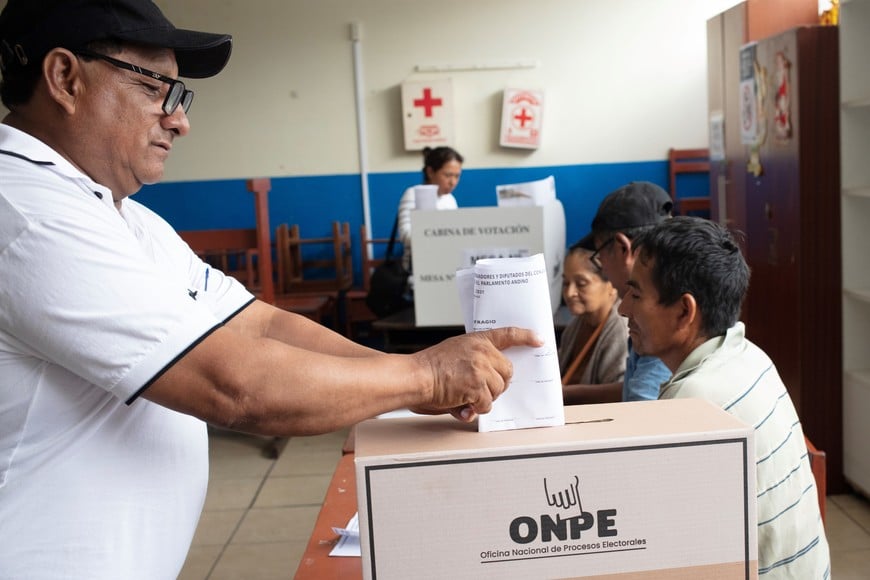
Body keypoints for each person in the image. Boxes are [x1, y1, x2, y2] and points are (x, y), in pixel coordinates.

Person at [0, 1, 540, 578]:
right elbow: (234, 385)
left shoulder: (121, 216)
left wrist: (410, 379)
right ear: (64, 78)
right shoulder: (27, 212)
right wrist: (425, 376)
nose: (180, 120)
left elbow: (255, 324)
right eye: (158, 88)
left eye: (180, 97)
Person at [619, 216, 830, 578]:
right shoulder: (748, 354)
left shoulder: (694, 403)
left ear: (685, 311)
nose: (623, 307)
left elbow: (653, 540)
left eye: (636, 294)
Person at [582, 181, 674, 402]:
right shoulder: (671, 294)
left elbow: (642, 417)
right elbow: (636, 387)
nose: (623, 310)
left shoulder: (654, 322)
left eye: (599, 254)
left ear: (623, 247)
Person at [558, 239, 628, 404]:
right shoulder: (575, 326)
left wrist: (566, 394)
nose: (569, 293)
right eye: (565, 283)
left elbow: (618, 397)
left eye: (581, 284)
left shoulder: (621, 329)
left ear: (611, 284)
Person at [396, 145, 463, 271]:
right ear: (430, 172)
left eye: (457, 176)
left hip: (445, 265)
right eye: (448, 175)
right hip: (418, 270)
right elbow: (405, 236)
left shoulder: (450, 199)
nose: (453, 182)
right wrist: (441, 236)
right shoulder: (413, 194)